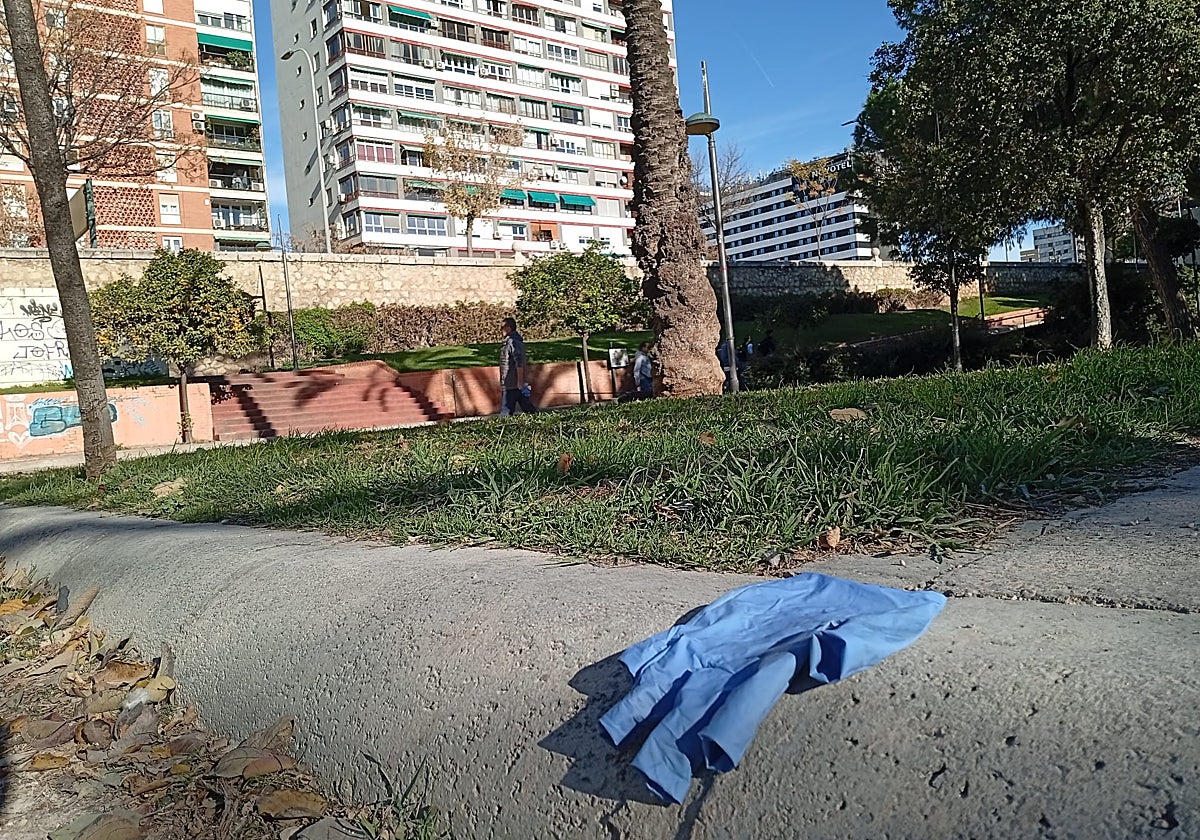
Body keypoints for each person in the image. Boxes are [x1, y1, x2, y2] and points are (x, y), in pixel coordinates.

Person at [499, 317, 537, 416]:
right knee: (528, 408)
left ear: (508, 328)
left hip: (511, 383)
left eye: (502, 327)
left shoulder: (512, 342)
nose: (501, 330)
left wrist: (520, 382)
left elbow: (519, 362)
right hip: (513, 383)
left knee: (506, 412)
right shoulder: (514, 341)